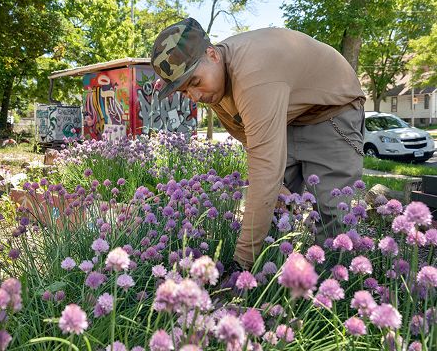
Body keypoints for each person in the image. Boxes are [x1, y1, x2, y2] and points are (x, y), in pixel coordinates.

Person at [150, 17, 366, 274]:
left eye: (195, 82)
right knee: (276, 209)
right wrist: (280, 186)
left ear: (212, 54)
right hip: (287, 113)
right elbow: (248, 135)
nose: (196, 97)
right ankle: (273, 282)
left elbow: (264, 173)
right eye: (185, 91)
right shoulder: (216, 81)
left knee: (334, 215)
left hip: (330, 109)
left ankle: (332, 294)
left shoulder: (254, 74)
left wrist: (240, 266)